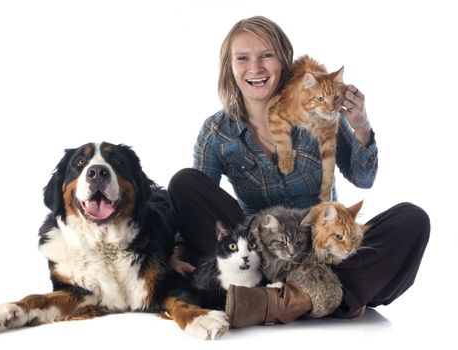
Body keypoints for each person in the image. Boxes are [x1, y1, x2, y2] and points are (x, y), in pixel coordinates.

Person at [168, 16, 430, 328]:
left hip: (323, 247)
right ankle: (329, 296)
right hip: (261, 252)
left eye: (267, 55)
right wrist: (174, 254)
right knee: (184, 183)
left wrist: (360, 124)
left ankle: (277, 302)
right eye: (243, 58)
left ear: (284, 61)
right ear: (230, 67)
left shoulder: (319, 111)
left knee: (412, 220)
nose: (255, 68)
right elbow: (200, 213)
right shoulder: (217, 131)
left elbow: (364, 178)